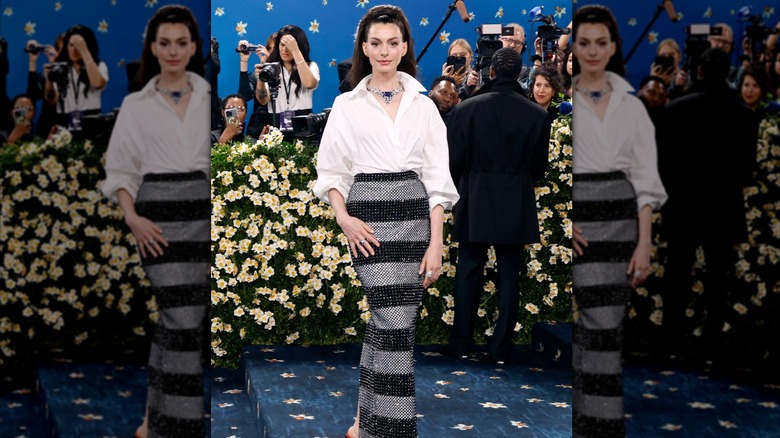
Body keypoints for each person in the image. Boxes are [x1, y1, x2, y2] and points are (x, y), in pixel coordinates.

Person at [313, 5, 458, 438]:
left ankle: (365, 423)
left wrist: (436, 243)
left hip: (415, 219)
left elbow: (437, 182)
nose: (384, 51)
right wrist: (345, 219)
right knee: (392, 323)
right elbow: (331, 173)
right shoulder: (346, 104)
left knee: (389, 324)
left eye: (393, 43)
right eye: (376, 43)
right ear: (364, 47)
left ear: (405, 47)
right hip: (369, 222)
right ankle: (389, 430)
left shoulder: (424, 104)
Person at [101, 5, 210, 438]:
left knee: (182, 321)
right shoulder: (135, 104)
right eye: (164, 43)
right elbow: (121, 172)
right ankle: (175, 425)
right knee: (180, 317)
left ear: (193, 47)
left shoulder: (207, 93)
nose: (173, 51)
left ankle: (155, 421)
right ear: (152, 47)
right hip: (158, 220)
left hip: (201, 216)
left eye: (182, 42)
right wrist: (134, 219)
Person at [570, 5, 667, 437]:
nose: (593, 51)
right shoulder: (563, 100)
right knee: (577, 333)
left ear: (614, 47)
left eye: (601, 43)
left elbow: (646, 181)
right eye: (584, 42)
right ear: (574, 46)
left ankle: (603, 428)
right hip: (578, 223)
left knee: (606, 334)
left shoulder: (632, 105)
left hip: (620, 223)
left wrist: (644, 243)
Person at [445, 47, 551, 365]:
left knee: (468, 270)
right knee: (509, 274)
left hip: (475, 194)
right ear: (519, 74)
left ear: (491, 72)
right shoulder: (538, 114)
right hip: (515, 196)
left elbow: (454, 162)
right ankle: (501, 348)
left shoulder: (466, 109)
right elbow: (538, 167)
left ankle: (461, 342)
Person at [656, 48, 758, 365]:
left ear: (699, 71)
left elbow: (662, 164)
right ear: (728, 73)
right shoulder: (744, 114)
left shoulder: (674, 109)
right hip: (723, 206)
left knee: (676, 277)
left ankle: (670, 343)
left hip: (683, 205)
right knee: (718, 280)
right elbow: (746, 170)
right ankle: (711, 348)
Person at [44, 25, 108, 128]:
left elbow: (97, 84)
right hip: (65, 120)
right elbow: (51, 100)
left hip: (91, 120)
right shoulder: (61, 67)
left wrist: (84, 52)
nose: (74, 50)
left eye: (78, 46)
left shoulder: (99, 66)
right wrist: (49, 80)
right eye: (71, 45)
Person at [256, 25, 319, 129]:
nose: (285, 50)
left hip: (303, 120)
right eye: (282, 45)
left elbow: (309, 84)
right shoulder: (271, 68)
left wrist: (295, 51)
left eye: (289, 46)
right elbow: (263, 100)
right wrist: (261, 79)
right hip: (276, 121)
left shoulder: (310, 66)